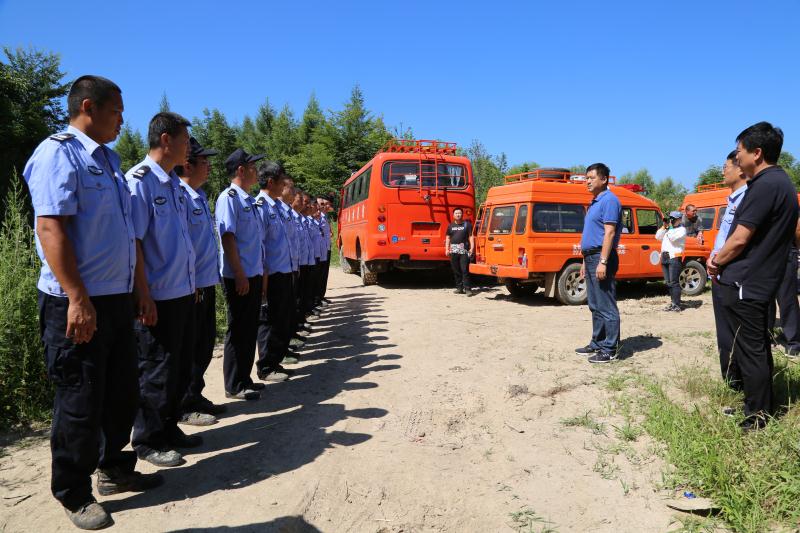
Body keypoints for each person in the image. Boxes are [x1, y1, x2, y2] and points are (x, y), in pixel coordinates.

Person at [23, 75, 161, 530]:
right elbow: (51, 229)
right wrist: (78, 297)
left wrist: (138, 290)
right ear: (89, 107)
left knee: (121, 392)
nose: (123, 119)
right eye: (117, 110)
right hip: (76, 302)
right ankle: (74, 491)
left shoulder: (110, 160)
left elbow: (122, 235)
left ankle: (114, 468)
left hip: (116, 298)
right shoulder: (58, 154)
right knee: (80, 399)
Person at [708, 122, 797, 431]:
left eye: (740, 150)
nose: (737, 156)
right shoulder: (779, 182)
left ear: (756, 153)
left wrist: (716, 262)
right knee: (754, 346)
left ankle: (758, 417)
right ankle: (756, 406)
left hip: (748, 281)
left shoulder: (766, 185)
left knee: (752, 349)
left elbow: (740, 237)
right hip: (757, 280)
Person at [127, 112, 199, 468]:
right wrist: (143, 293)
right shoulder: (140, 181)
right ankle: (148, 439)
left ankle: (169, 428)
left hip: (180, 291)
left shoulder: (172, 184)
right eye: (185, 140)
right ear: (166, 140)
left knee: (177, 367)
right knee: (155, 368)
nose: (188, 147)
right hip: (156, 294)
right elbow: (135, 242)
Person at [176, 137, 226, 425]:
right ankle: (183, 403)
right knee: (189, 348)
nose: (208, 167)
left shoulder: (198, 196)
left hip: (206, 282)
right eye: (204, 162)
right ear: (188, 165)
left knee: (204, 345)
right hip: (190, 286)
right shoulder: (179, 195)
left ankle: (195, 394)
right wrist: (192, 280)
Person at [216, 149, 267, 401]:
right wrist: (239, 273)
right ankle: (234, 384)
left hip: (252, 274)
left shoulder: (247, 199)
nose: (256, 170)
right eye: (252, 166)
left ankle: (245, 378)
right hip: (239, 275)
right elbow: (228, 237)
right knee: (238, 329)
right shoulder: (229, 197)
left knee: (249, 329)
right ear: (240, 170)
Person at [575, 163, 623, 364]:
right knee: (595, 304)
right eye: (586, 178)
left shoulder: (610, 200)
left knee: (606, 304)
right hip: (591, 257)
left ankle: (610, 348)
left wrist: (602, 261)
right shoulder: (595, 201)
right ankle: (598, 342)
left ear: (603, 179)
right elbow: (592, 235)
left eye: (591, 178)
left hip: (602, 257)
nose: (587, 181)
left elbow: (609, 232)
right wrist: (586, 261)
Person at [709, 150, 748, 390]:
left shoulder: (748, 199)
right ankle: (732, 382)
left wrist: (717, 260)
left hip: (734, 275)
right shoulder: (732, 199)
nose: (723, 170)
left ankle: (741, 385)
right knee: (724, 335)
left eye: (726, 166)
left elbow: (739, 240)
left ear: (741, 168)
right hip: (720, 274)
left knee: (738, 335)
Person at [254, 161, 294, 382]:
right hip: (271, 274)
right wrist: (264, 279)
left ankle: (275, 361)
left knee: (281, 319)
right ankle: (266, 366)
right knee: (269, 321)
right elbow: (261, 245)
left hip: (283, 271)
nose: (284, 186)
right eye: (281, 182)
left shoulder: (274, 207)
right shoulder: (260, 206)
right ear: (271, 182)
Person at [767, 216, 800, 356]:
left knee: (768, 298)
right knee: (786, 298)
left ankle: (770, 339)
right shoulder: (787, 197)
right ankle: (792, 344)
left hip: (768, 253)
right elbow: (798, 227)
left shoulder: (759, 199)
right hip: (785, 251)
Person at [655, 211, 687, 312]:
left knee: (674, 282)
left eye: (673, 219)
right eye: (670, 219)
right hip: (664, 257)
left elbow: (673, 238)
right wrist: (663, 227)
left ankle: (677, 305)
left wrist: (669, 228)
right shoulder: (669, 229)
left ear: (679, 219)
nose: (671, 221)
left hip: (674, 257)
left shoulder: (682, 230)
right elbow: (657, 237)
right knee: (668, 282)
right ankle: (672, 303)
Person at [444, 208, 475, 295]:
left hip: (464, 251)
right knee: (456, 270)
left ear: (462, 215)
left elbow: (471, 237)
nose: (458, 214)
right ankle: (459, 288)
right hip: (453, 251)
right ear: (453, 215)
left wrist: (472, 248)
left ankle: (468, 289)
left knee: (464, 270)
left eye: (459, 213)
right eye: (456, 213)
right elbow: (448, 238)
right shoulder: (450, 226)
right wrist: (447, 249)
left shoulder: (467, 225)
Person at [317, 194, 335, 305]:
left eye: (326, 204)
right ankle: (317, 298)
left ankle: (321, 296)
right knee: (319, 276)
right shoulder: (318, 216)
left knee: (324, 275)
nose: (325, 206)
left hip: (325, 248)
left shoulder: (325, 216)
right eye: (323, 204)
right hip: (319, 250)